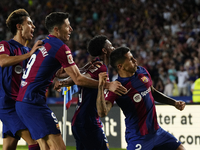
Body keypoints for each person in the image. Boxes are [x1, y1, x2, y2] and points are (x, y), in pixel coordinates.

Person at [15, 12, 127, 150]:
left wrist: (68, 74)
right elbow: (78, 79)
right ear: (57, 29)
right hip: (33, 102)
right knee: (59, 148)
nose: (71, 29)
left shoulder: (45, 43)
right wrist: (108, 85)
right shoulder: (60, 47)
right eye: (68, 26)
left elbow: (55, 72)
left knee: (43, 146)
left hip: (23, 101)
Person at [96, 47, 186, 150]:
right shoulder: (118, 87)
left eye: (133, 57)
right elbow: (102, 113)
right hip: (138, 138)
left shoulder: (142, 71)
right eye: (130, 59)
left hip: (157, 132)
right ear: (120, 66)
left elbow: (152, 91)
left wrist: (174, 103)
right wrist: (100, 87)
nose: (135, 61)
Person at [0, 9, 42, 150]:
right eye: (29, 23)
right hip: (6, 104)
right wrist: (29, 54)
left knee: (8, 147)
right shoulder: (6, 45)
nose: (33, 26)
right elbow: (3, 61)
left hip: (20, 104)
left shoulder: (28, 52)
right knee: (35, 141)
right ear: (19, 26)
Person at [70, 35, 114, 150]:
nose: (113, 48)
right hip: (88, 122)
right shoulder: (100, 68)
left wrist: (65, 81)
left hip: (81, 121)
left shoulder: (94, 64)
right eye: (111, 46)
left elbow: (78, 74)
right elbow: (80, 78)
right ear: (104, 50)